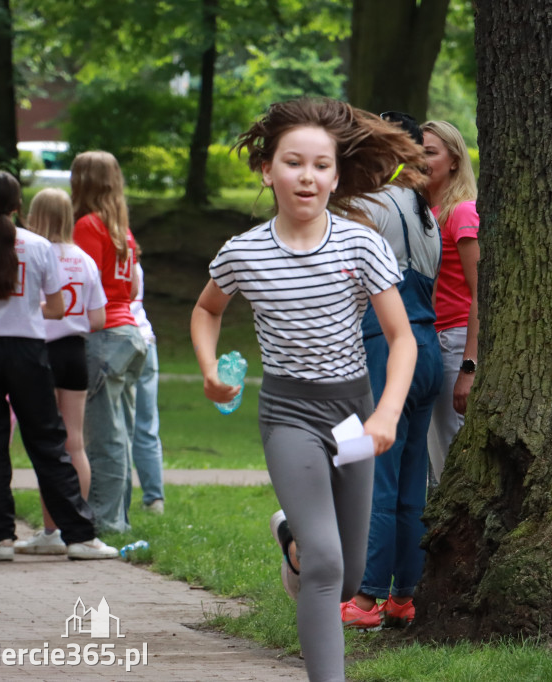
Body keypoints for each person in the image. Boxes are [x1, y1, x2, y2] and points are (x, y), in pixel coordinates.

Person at [191, 97, 420, 682]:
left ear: (336, 174)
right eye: (294, 163)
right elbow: (206, 310)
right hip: (288, 414)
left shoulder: (361, 244)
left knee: (345, 574)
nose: (308, 176)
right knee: (325, 567)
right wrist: (211, 372)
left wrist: (387, 412)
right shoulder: (243, 252)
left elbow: (402, 338)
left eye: (321, 165)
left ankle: (291, 537)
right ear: (267, 169)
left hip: (355, 413)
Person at [0, 170, 118, 561]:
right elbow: (58, 308)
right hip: (27, 351)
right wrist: (25, 306)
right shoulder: (41, 246)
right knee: (48, 442)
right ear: (18, 204)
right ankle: (79, 536)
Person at [340, 111, 442, 630]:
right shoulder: (424, 210)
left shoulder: (372, 205)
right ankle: (406, 593)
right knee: (410, 482)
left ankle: (367, 599)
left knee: (378, 475)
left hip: (387, 342)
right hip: (428, 348)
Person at [15, 188, 107, 555]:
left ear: (34, 216)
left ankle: (51, 531)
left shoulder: (33, 255)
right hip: (74, 353)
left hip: (40, 352)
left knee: (45, 444)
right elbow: (98, 318)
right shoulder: (84, 259)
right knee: (75, 443)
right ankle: (77, 529)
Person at [72, 151, 147, 534]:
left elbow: (82, 283)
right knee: (122, 434)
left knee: (104, 438)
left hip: (103, 338)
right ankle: (120, 519)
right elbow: (132, 286)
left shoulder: (87, 225)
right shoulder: (121, 227)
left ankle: (104, 522)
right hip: (130, 335)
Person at [421, 120, 480, 486]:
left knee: (450, 454)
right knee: (433, 454)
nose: (421, 160)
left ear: (454, 160)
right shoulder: (424, 213)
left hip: (455, 341)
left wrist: (468, 367)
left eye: (430, 152)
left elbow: (481, 294)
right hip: (430, 340)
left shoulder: (461, 212)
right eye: (417, 152)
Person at [129, 262, 165, 515]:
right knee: (146, 425)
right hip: (145, 338)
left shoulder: (97, 255)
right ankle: (154, 500)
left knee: (114, 429)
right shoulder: (132, 259)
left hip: (118, 340)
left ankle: (115, 504)